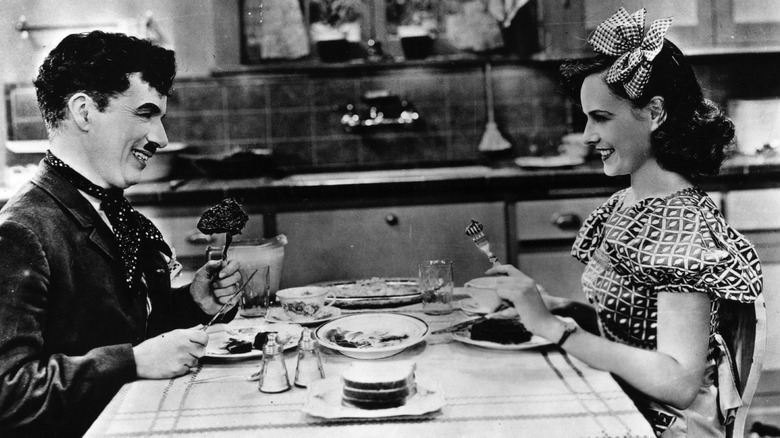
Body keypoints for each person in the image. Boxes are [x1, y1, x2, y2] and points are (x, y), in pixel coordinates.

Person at [486, 8, 763, 437]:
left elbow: (679, 381)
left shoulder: (680, 226)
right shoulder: (632, 202)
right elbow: (634, 325)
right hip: (632, 405)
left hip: (670, 427)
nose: (586, 136)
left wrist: (554, 329)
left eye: (600, 118)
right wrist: (553, 305)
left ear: (654, 113)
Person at [0, 31, 243, 437]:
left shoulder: (109, 208)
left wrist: (192, 304)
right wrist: (132, 362)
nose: (161, 138)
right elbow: (9, 394)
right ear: (83, 111)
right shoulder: (21, 232)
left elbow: (122, 328)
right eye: (146, 113)